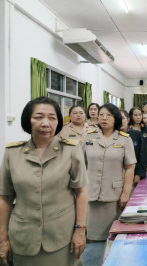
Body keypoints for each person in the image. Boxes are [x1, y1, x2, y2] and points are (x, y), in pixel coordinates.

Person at [0, 97, 87, 266]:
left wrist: (80, 230)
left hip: (62, 237)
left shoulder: (70, 150)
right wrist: (2, 238)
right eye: (38, 117)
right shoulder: (13, 153)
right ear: (28, 120)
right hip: (23, 237)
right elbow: (5, 197)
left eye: (52, 118)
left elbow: (81, 191)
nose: (45, 123)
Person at [84, 103, 136, 241]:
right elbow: (81, 164)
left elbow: (130, 167)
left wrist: (126, 193)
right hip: (91, 192)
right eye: (101, 115)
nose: (104, 118)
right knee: (93, 238)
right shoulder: (89, 137)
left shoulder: (124, 139)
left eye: (108, 115)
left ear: (116, 118)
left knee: (113, 236)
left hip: (114, 193)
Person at [128, 107, 147, 183]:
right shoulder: (127, 129)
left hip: (142, 160)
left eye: (140, 115)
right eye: (135, 115)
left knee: (139, 182)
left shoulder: (146, 129)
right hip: (130, 159)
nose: (138, 117)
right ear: (131, 116)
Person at [120, 110, 147, 182]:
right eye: (117, 118)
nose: (120, 121)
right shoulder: (113, 136)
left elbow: (143, 155)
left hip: (134, 174)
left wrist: (138, 174)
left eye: (122, 118)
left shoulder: (136, 134)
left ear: (128, 120)